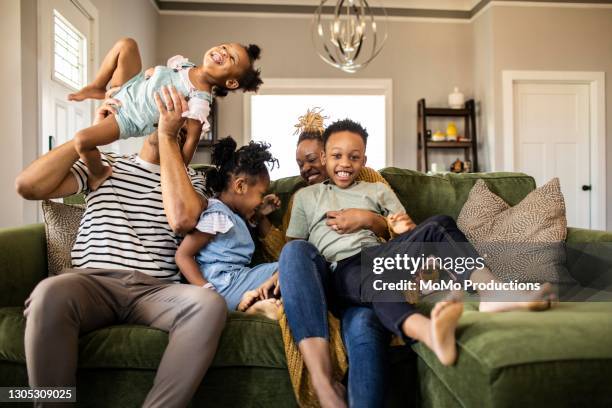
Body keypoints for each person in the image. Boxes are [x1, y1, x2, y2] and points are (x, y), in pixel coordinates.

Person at [279, 118, 554, 408]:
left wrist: (386, 225)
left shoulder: (377, 191)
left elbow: (408, 233)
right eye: (336, 156)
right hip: (341, 271)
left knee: (438, 225)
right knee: (375, 287)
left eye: (354, 156)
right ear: (324, 157)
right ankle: (429, 334)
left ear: (364, 159)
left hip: (379, 258)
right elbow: (293, 253)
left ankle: (492, 291)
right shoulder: (307, 197)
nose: (345, 163)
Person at [15, 86, 226, 408]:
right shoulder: (104, 164)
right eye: (167, 112)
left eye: (184, 118)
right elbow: (28, 186)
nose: (174, 118)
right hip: (92, 282)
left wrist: (172, 139)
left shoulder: (193, 182)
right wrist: (92, 136)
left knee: (208, 304)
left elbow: (183, 219)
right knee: (49, 292)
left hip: (155, 291)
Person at [255, 109, 403, 407]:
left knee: (364, 325)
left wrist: (366, 219)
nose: (307, 168)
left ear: (325, 155)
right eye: (300, 164)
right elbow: (291, 250)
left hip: (364, 273)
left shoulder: (369, 181)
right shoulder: (303, 198)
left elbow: (398, 230)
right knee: (295, 253)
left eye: (312, 159)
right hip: (325, 279)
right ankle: (324, 384)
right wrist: (264, 224)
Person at [68, 38, 263, 191]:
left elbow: (191, 142)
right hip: (127, 89)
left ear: (231, 83)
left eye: (232, 58)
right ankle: (97, 87)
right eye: (224, 47)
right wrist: (154, 72)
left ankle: (98, 172)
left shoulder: (199, 101)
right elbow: (164, 78)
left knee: (81, 140)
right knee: (126, 45)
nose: (223, 52)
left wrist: (176, 171)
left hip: (126, 117)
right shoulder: (185, 65)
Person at [176, 136, 282, 319]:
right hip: (222, 287)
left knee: (285, 274)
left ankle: (251, 306)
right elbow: (183, 255)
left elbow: (236, 234)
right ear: (240, 185)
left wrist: (259, 212)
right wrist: (207, 292)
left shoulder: (232, 216)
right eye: (261, 194)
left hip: (235, 282)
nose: (260, 199)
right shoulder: (218, 214)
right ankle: (248, 304)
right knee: (289, 266)